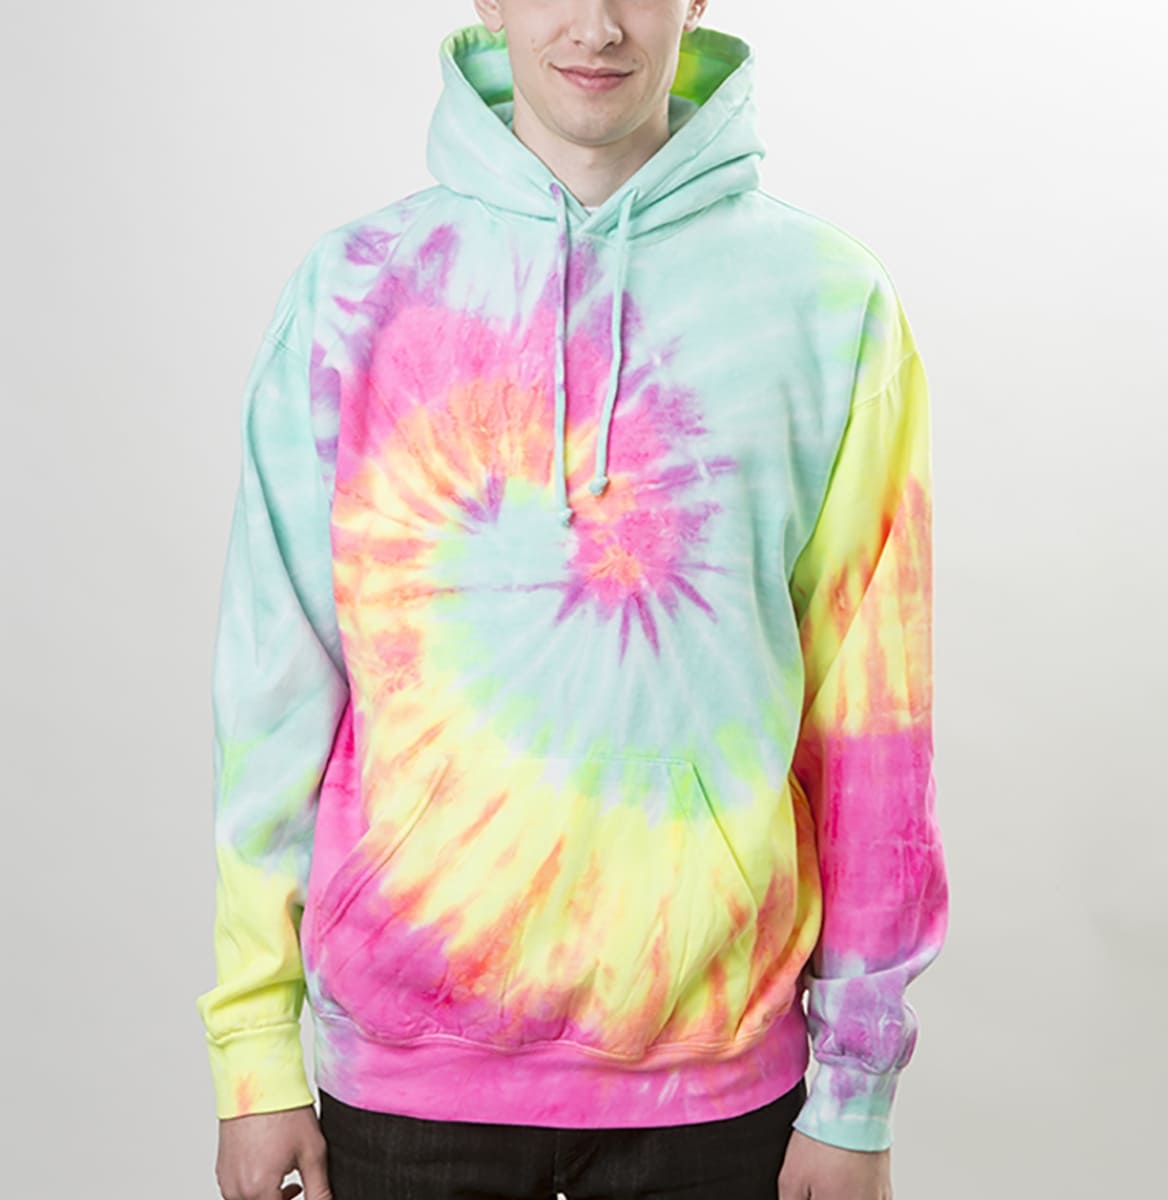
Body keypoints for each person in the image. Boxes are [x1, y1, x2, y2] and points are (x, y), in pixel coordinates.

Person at [195, 2, 949, 1198]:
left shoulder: (828, 305)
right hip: (405, 1078)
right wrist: (254, 1055)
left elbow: (872, 727)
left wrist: (856, 1096)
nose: (596, 24)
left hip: (718, 1089)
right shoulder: (355, 294)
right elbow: (273, 696)